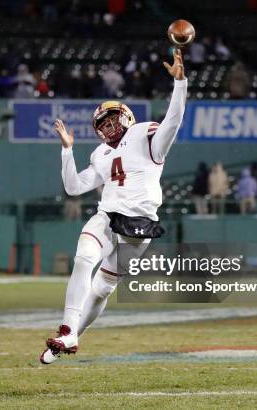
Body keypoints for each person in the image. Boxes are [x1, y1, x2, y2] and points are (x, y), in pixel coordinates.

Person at [40, 49, 187, 364]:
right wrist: (67, 152)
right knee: (83, 257)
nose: (109, 127)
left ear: (125, 116)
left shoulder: (145, 135)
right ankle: (67, 331)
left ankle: (72, 336)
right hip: (108, 216)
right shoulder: (99, 154)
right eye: (103, 125)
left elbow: (173, 122)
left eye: (112, 120)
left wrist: (180, 83)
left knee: (102, 289)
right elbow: (74, 187)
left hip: (141, 224)